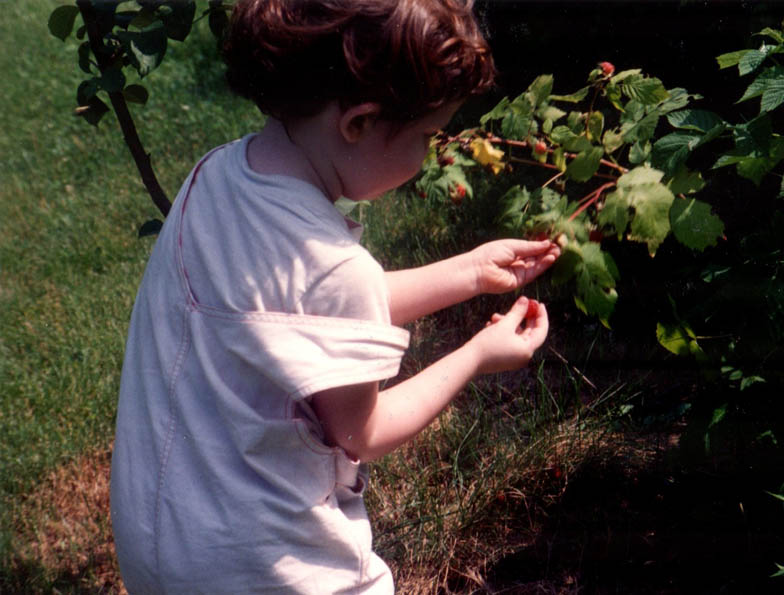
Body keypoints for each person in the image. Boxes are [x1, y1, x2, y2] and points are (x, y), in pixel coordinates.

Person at [109, 0, 560, 592]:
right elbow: (363, 433)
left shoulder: (214, 178)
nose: (428, 154)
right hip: (270, 567)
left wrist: (472, 272)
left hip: (167, 539)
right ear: (358, 123)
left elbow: (310, 313)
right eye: (426, 135)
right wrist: (478, 354)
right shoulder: (335, 269)